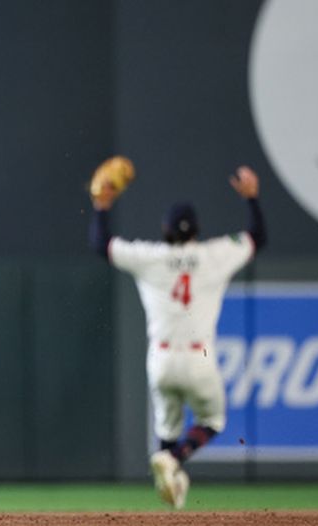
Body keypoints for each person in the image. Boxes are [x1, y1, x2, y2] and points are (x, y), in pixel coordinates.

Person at [89, 165, 266, 509]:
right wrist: (252, 198)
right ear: (197, 230)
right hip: (200, 359)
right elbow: (257, 236)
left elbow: (101, 244)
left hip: (162, 360)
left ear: (165, 230)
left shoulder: (151, 258)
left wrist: (101, 206)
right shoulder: (213, 255)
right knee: (212, 420)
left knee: (166, 433)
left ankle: (173, 476)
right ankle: (176, 460)